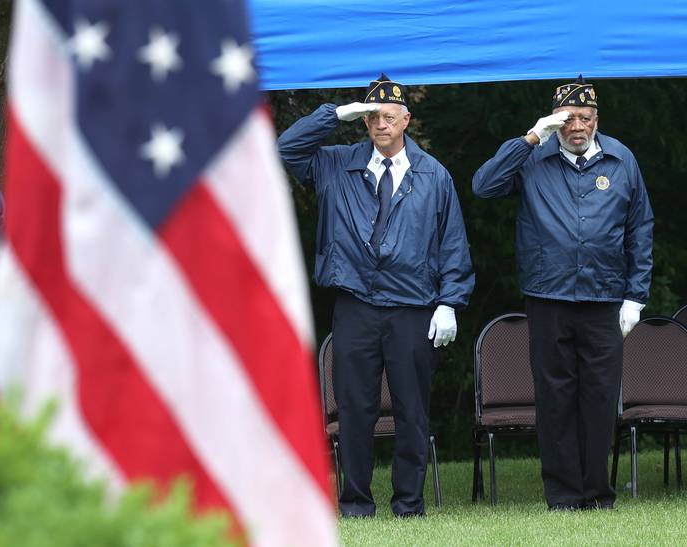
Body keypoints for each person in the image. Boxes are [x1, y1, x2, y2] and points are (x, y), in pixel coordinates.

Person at [278, 74, 474, 517]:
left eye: (388, 116)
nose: (380, 124)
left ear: (406, 119)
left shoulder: (434, 175)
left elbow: (453, 244)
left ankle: (408, 503)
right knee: (354, 410)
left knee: (411, 411)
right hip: (356, 306)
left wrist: (450, 302)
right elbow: (285, 150)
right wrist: (334, 114)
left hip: (412, 308)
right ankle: (356, 504)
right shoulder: (335, 164)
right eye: (371, 117)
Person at [472, 76, 654, 510]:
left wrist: (636, 297)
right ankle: (563, 495)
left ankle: (597, 493)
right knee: (554, 400)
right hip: (547, 297)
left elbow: (640, 229)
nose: (577, 126)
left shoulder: (621, 159)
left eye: (585, 118)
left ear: (597, 120)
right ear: (556, 121)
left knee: (599, 397)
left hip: (604, 299)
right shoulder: (534, 156)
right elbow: (483, 186)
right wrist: (531, 136)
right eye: (568, 119)